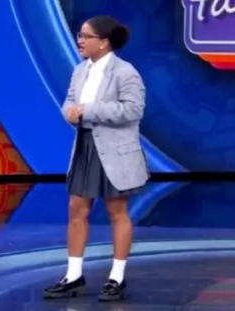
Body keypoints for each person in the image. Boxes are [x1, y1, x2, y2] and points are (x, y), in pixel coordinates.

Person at [43, 15, 149, 302]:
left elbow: (133, 110)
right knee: (76, 210)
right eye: (79, 35)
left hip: (114, 150)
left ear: (103, 42)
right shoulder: (80, 70)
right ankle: (73, 276)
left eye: (85, 36)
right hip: (85, 146)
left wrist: (88, 110)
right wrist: (69, 112)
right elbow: (70, 99)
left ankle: (116, 278)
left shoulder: (125, 72)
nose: (79, 40)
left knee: (117, 211)